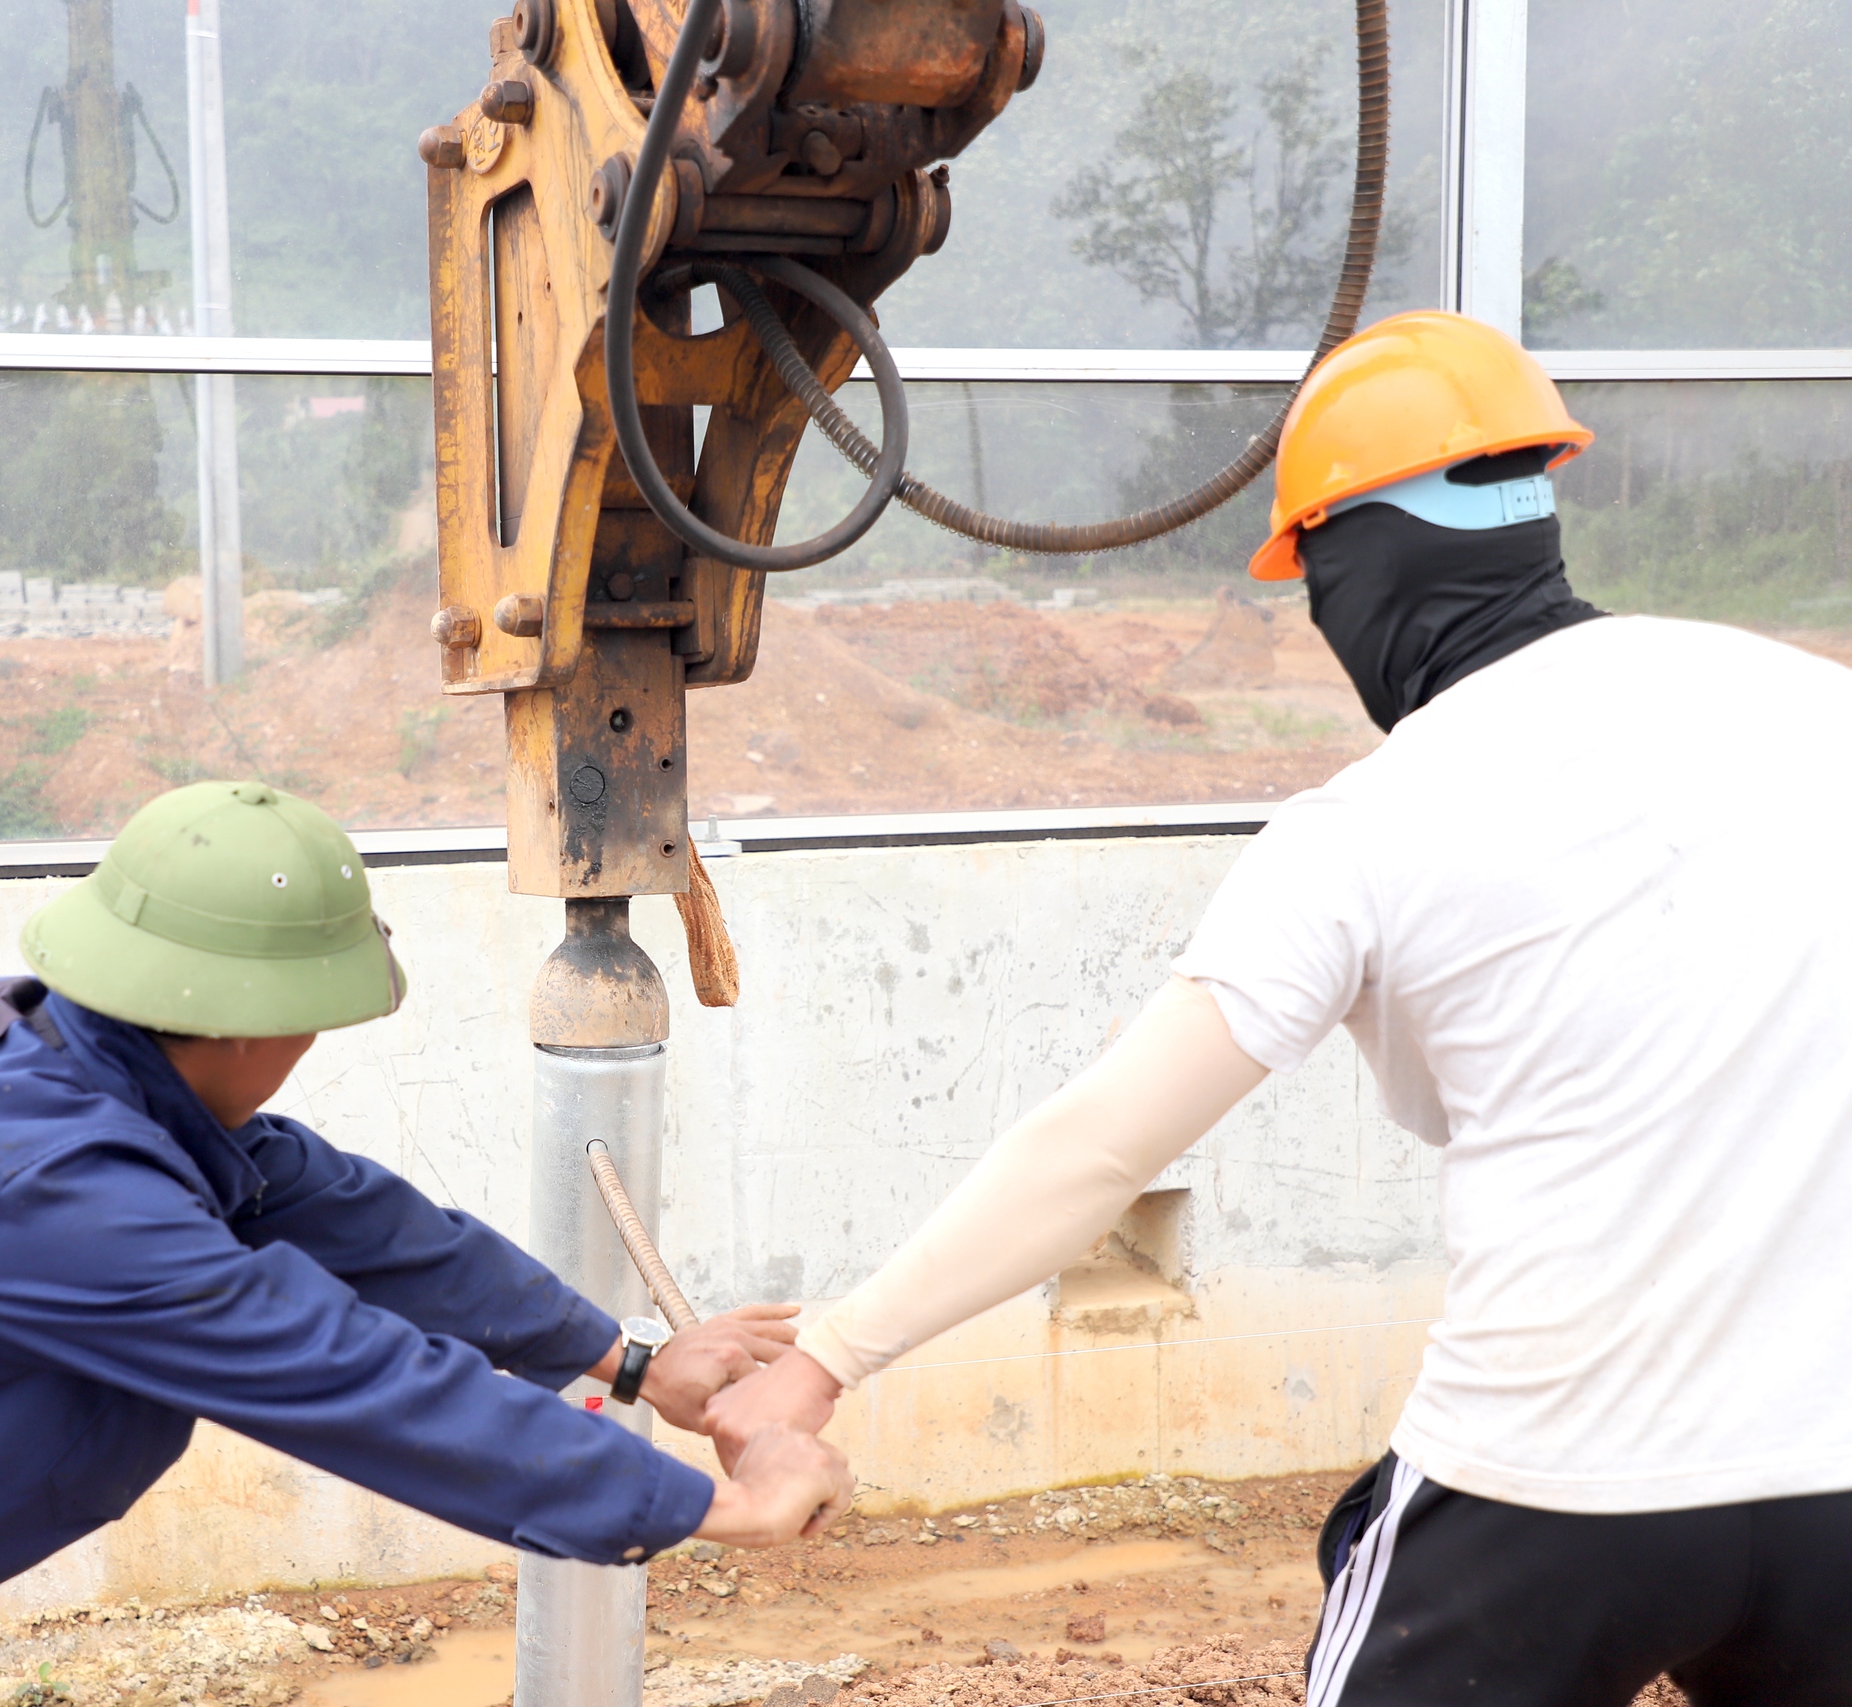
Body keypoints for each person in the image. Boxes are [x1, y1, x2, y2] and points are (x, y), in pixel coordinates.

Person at [704, 311, 1852, 1705]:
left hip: (1547, 1481)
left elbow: (1101, 1150)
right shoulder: (1814, 709)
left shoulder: (1369, 825)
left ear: (1352, 566)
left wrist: (823, 1361)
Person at [0, 780, 850, 1707]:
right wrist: (707, 1507)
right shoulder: (49, 1190)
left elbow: (345, 1214)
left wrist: (622, 1356)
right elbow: (346, 1378)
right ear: (256, 1018)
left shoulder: (74, 1064)